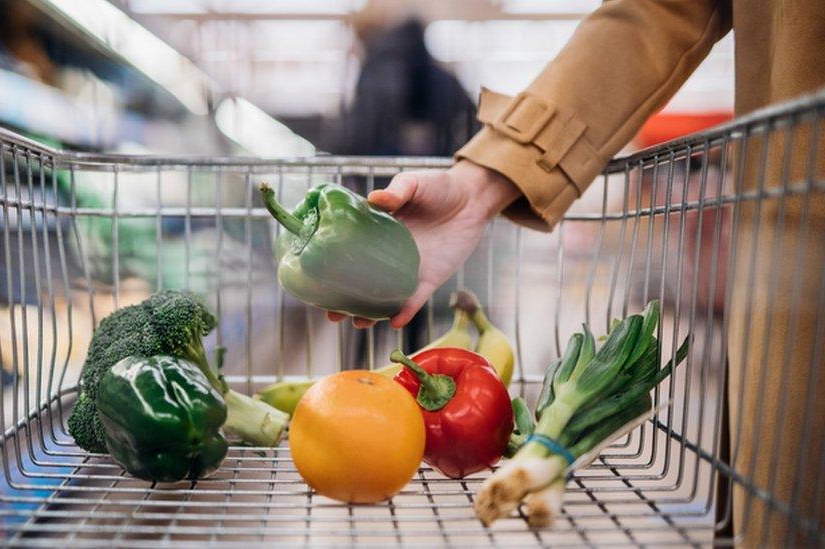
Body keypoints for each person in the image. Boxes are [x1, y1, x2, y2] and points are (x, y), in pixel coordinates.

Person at [328, 1, 825, 545]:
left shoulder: (373, 74)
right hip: (800, 263)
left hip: (798, 246)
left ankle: (369, 370)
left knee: (394, 328)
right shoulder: (435, 75)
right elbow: (665, 10)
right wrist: (477, 188)